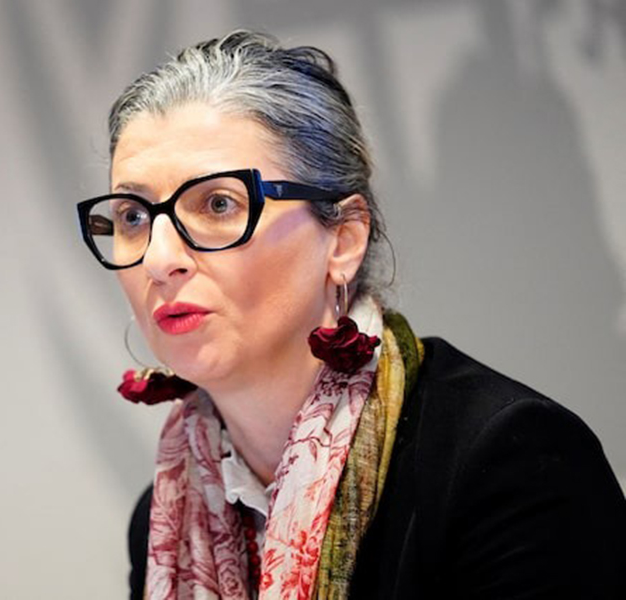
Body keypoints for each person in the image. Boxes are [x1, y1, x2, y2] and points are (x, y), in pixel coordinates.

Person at [75, 31, 626, 600]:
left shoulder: (508, 459)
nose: (161, 260)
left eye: (219, 204)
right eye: (133, 216)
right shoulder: (165, 515)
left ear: (343, 239)